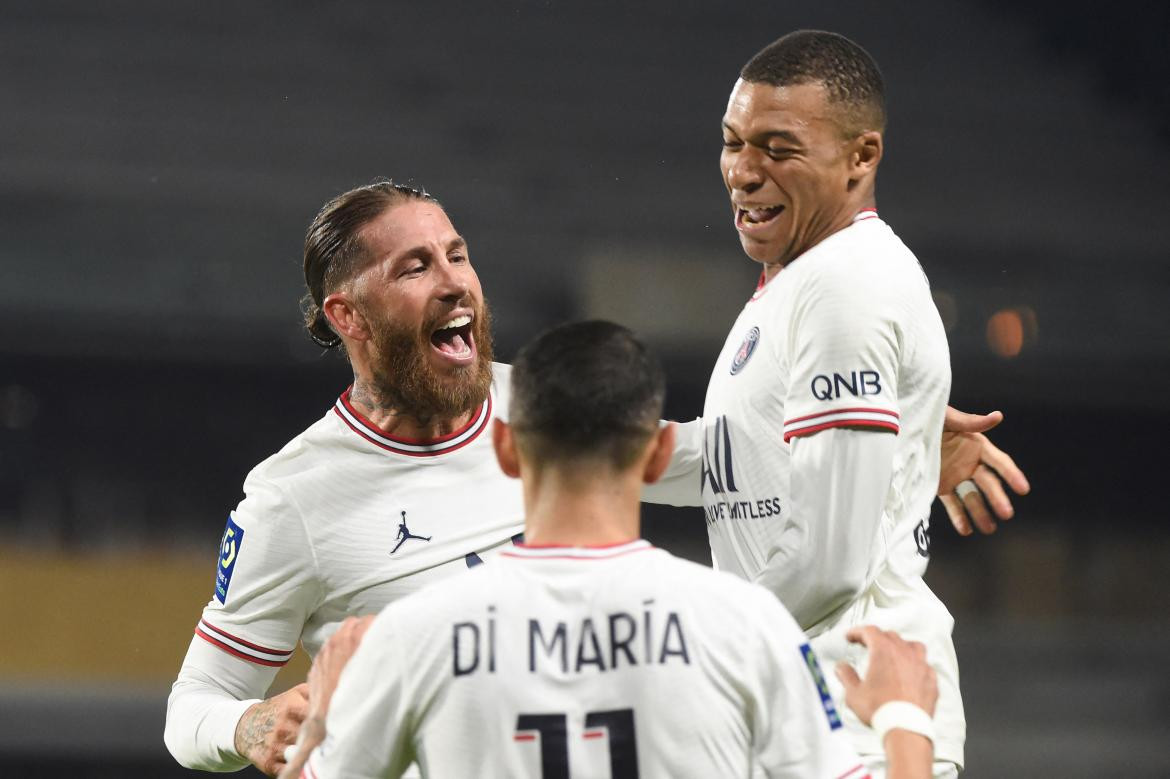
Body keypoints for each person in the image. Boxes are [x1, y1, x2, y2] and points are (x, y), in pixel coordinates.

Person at [164, 180, 1022, 776]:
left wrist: (884, 434)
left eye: (457, 253)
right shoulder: (295, 497)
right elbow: (193, 705)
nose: (454, 278)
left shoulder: (537, 405)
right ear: (346, 314)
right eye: (414, 266)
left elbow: (709, 457)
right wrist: (244, 723)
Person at [278, 321, 940, 779]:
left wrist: (327, 723)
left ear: (505, 448)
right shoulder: (746, 623)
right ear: (657, 455)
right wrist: (904, 715)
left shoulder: (413, 634)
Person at [704, 30, 996, 776]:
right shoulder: (804, 277)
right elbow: (738, 455)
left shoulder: (846, 286)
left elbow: (828, 562)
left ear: (861, 157)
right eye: (734, 142)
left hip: (855, 719)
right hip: (806, 711)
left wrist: (699, 653)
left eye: (777, 147)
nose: (742, 171)